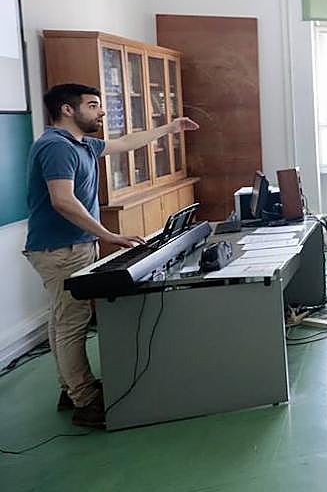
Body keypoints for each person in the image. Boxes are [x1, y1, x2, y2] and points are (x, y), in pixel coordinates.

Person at [24, 83, 199, 428]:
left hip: (73, 245)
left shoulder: (82, 143)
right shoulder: (56, 147)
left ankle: (70, 387)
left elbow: (125, 144)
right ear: (67, 110)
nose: (101, 111)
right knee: (71, 323)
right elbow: (62, 200)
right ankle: (85, 400)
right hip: (61, 250)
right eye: (93, 105)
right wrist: (108, 235)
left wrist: (170, 127)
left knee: (61, 319)